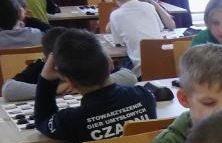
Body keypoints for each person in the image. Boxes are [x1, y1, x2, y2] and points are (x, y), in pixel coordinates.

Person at [2, 26, 137, 101]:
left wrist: (87, 84)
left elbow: (130, 77)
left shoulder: (83, 62)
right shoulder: (40, 67)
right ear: (48, 60)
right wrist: (54, 89)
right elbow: (8, 90)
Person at [107, 0, 163, 77]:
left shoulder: (115, 15)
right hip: (164, 63)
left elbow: (118, 42)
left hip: (140, 71)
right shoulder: (149, 7)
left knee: (118, 70)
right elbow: (160, 28)